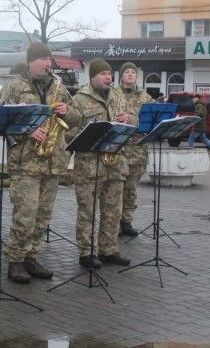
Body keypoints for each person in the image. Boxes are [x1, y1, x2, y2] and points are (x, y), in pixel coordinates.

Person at [0, 42, 80, 283]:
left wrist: (67, 111)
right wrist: (26, 130)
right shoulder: (13, 85)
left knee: (43, 214)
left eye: (49, 59)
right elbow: (1, 119)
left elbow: (77, 118)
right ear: (29, 61)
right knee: (25, 213)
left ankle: (31, 256)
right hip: (26, 163)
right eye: (42, 59)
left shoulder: (58, 85)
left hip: (53, 160)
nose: (47, 64)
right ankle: (15, 260)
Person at [70, 59, 131, 269]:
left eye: (110, 74)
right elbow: (69, 133)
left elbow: (133, 118)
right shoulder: (79, 99)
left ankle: (108, 250)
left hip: (115, 162)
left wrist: (128, 119)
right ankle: (86, 253)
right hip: (89, 165)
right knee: (87, 211)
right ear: (92, 76)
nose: (108, 78)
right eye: (103, 74)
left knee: (113, 210)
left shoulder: (118, 94)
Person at [110, 62, 153, 237]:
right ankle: (113, 222)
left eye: (133, 72)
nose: (130, 74)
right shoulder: (112, 93)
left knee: (130, 189)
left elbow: (148, 123)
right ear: (121, 75)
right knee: (115, 189)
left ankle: (126, 221)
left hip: (137, 151)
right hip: (117, 149)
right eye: (126, 72)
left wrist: (130, 119)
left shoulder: (145, 97)